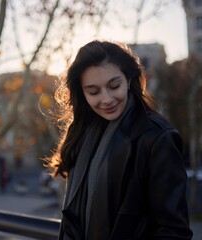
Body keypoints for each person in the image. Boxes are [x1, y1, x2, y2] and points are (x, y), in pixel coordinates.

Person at [45, 40, 193, 240]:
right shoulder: (81, 131)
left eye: (114, 86)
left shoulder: (158, 138)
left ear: (129, 80)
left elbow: (174, 232)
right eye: (94, 91)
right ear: (82, 93)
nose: (106, 99)